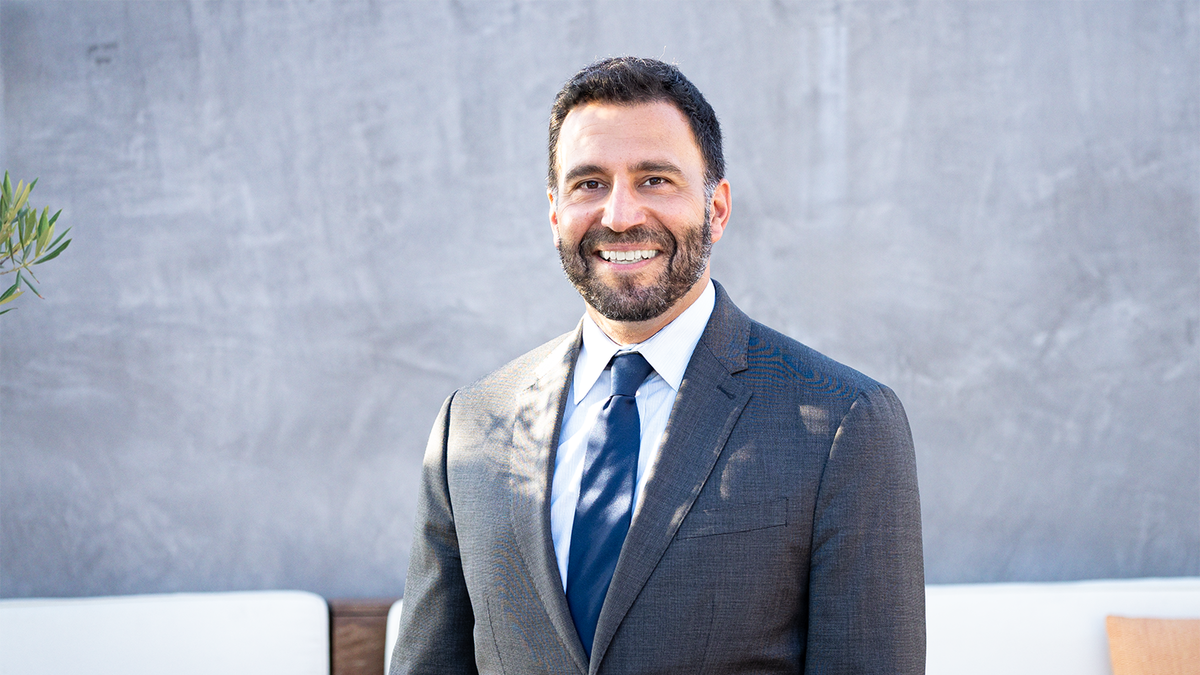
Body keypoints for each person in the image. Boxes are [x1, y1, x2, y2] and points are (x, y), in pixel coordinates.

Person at [392, 56, 924, 674]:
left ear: (716, 209)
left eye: (655, 180)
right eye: (589, 184)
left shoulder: (842, 424)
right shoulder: (469, 427)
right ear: (555, 211)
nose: (620, 216)